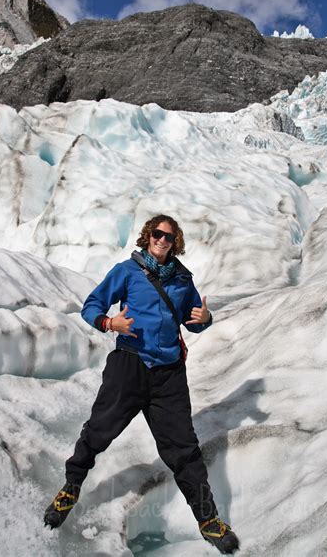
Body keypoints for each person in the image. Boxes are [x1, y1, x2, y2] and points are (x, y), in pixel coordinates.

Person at [44, 214, 239, 554]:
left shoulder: (181, 279)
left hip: (169, 375)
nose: (163, 240)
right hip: (129, 365)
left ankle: (208, 519)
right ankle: (71, 487)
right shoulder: (127, 271)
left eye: (169, 236)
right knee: (99, 430)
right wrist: (108, 322)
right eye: (158, 234)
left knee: (183, 448)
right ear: (148, 236)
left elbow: (193, 320)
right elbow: (91, 305)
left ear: (174, 242)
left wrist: (206, 320)